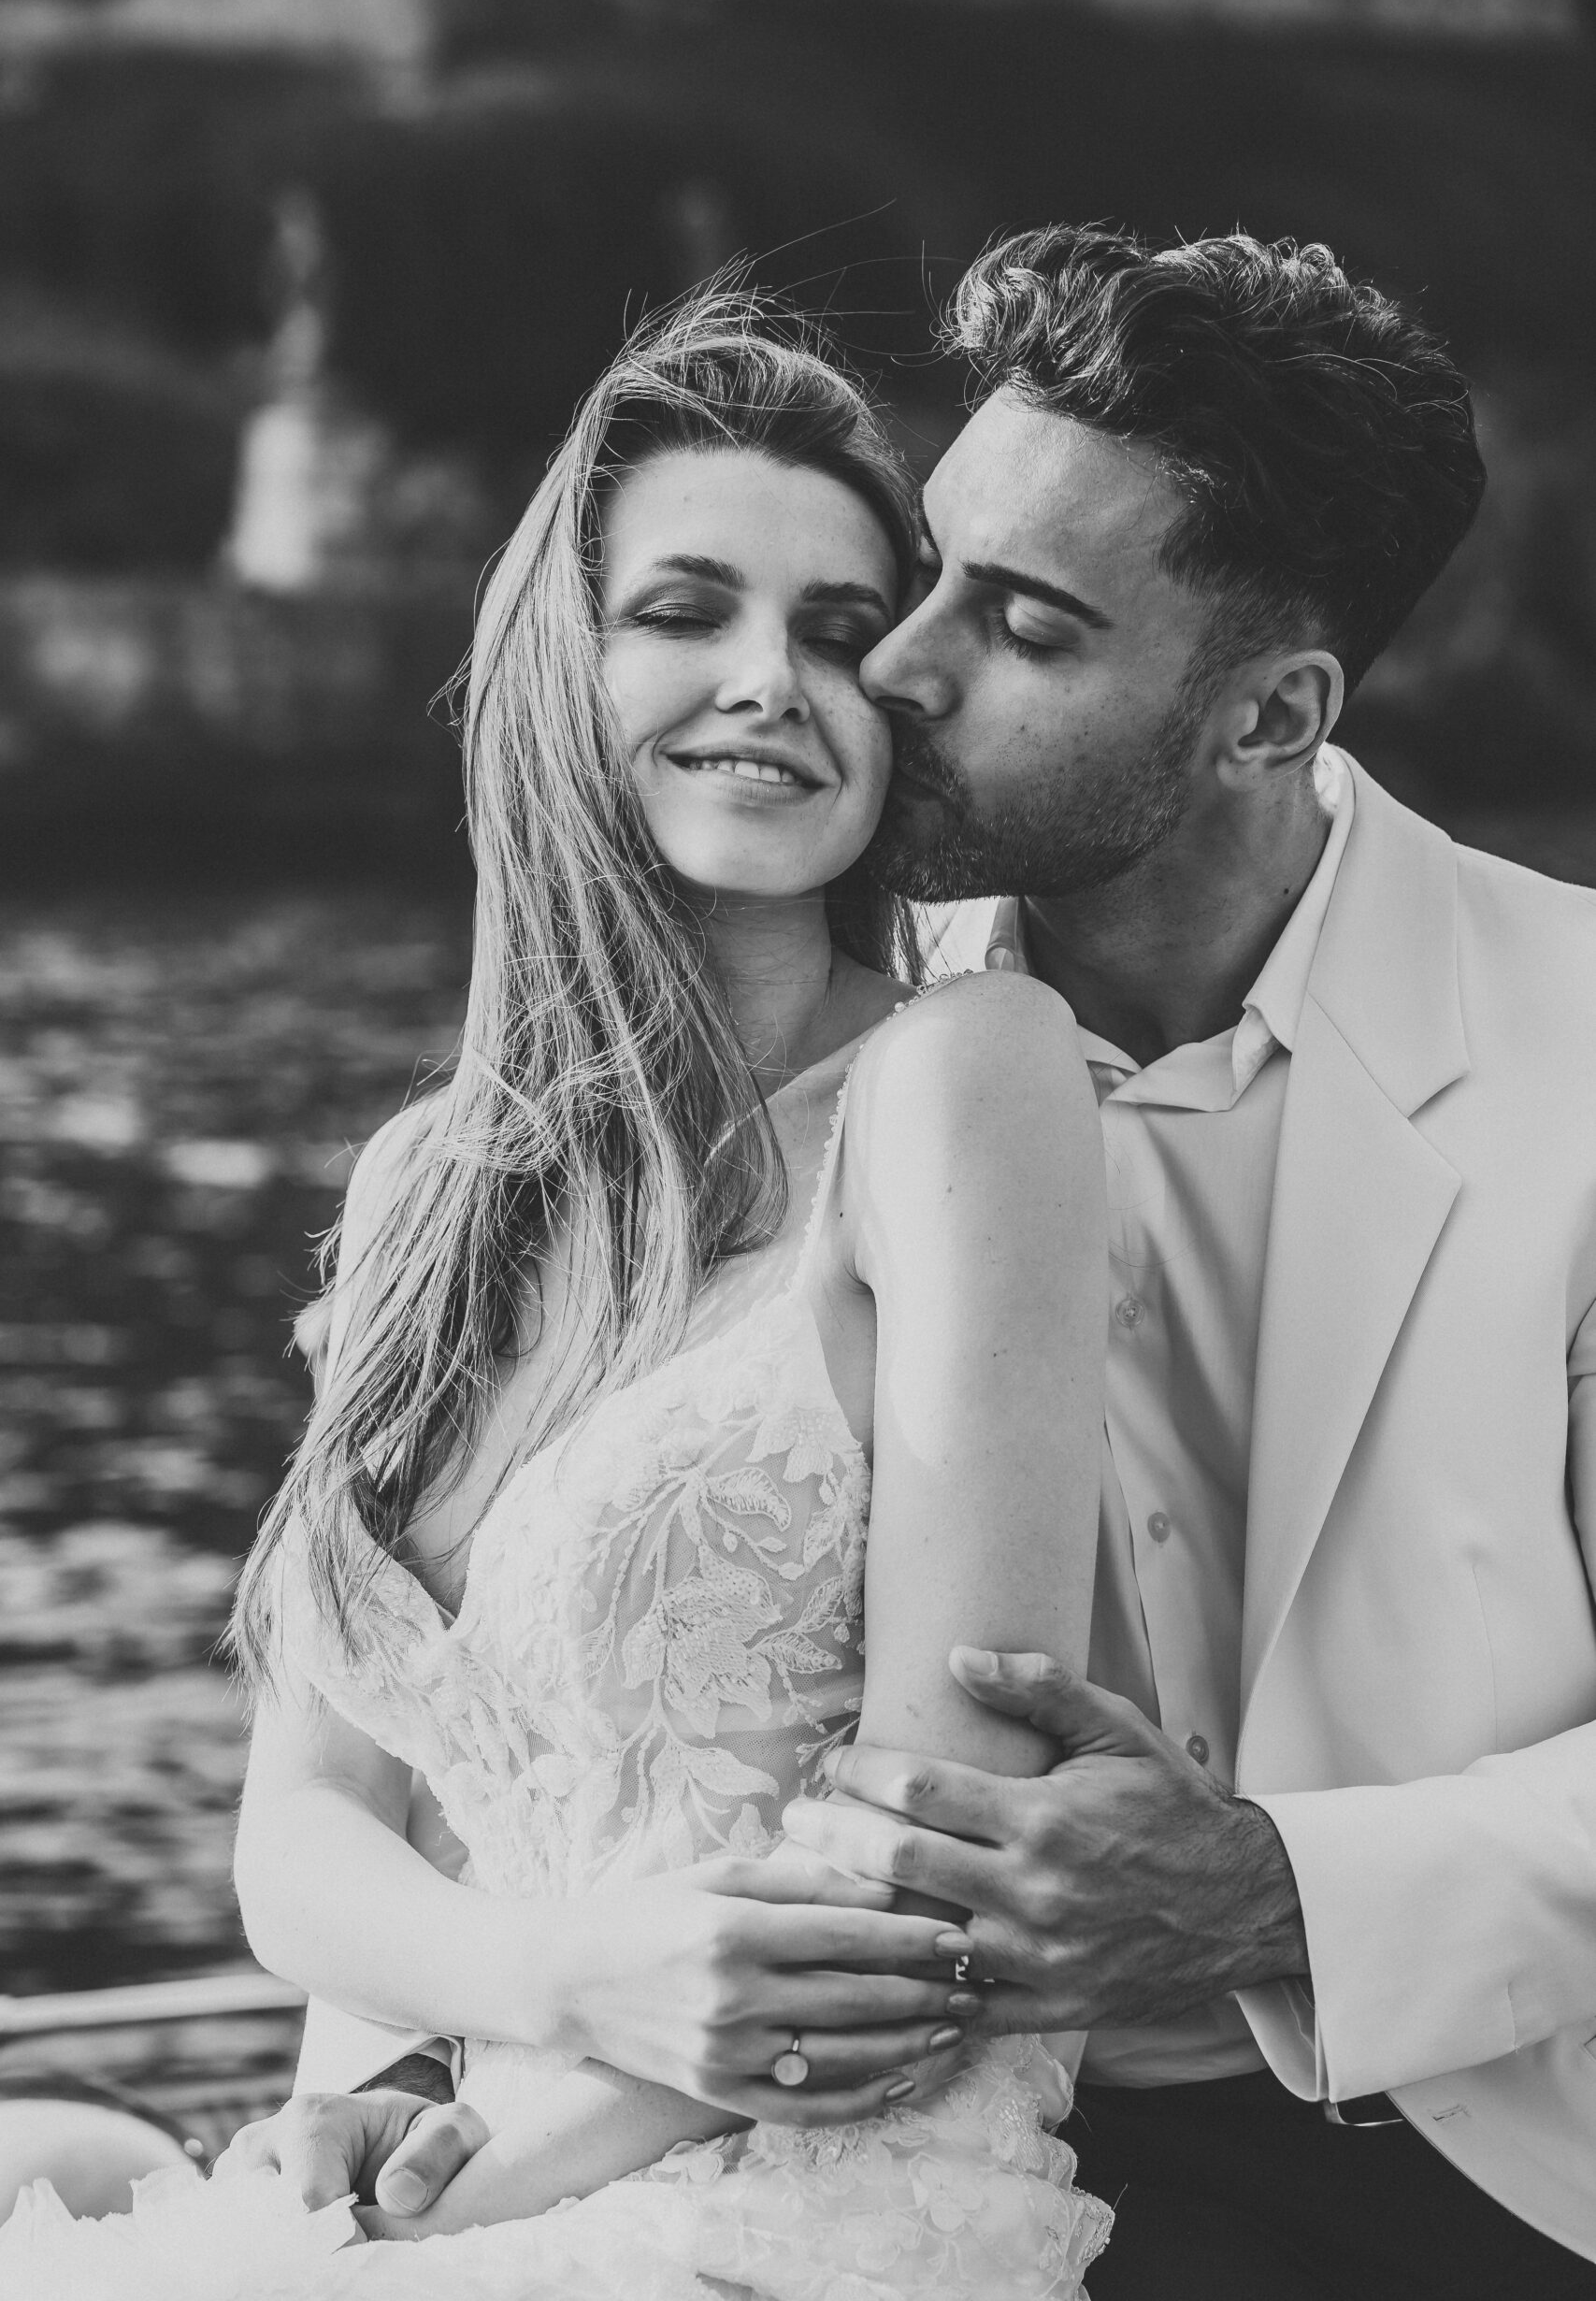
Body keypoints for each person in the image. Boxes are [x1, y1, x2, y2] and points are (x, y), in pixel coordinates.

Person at [221, 224, 1596, 2298]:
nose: (892, 668)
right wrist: (448, 2053)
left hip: (1445, 2149)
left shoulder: (1572, 1056)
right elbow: (457, 1737)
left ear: (1264, 714)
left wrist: (1275, 1888)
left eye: (1018, 622)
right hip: (826, 2111)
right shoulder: (814, 1038)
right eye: (919, 574)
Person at [1, 295, 1113, 2296]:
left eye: (844, 631)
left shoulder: (964, 1077)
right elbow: (301, 1839)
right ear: (560, 664)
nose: (767, 680)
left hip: (793, 2167)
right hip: (472, 2115)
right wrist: (499, 2008)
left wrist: (440, 2184)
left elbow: (946, 1833)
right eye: (683, 608)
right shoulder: (429, 1182)